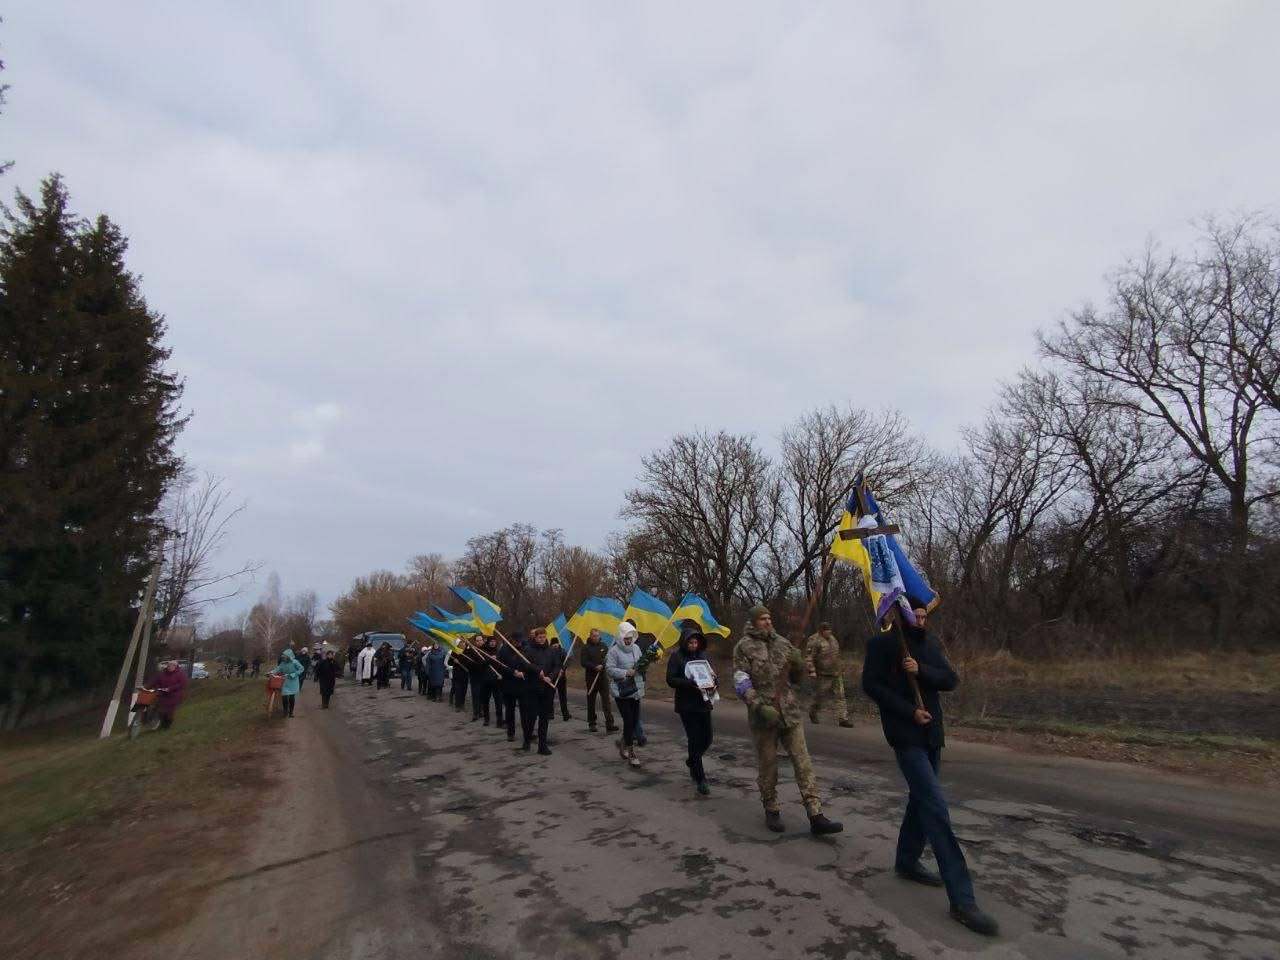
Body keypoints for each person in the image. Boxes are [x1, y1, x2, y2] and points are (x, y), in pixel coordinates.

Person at [862, 602, 999, 936]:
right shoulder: (882, 645)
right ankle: (962, 900)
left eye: (925, 616)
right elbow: (871, 686)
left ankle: (907, 862)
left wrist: (920, 669)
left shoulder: (927, 645)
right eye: (915, 615)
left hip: (933, 736)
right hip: (905, 735)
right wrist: (909, 711)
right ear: (901, 614)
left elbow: (950, 679)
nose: (921, 621)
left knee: (920, 801)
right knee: (936, 808)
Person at [732, 604, 843, 836]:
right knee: (768, 765)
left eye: (769, 617)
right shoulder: (743, 647)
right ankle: (771, 807)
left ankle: (816, 815)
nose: (767, 621)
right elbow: (741, 680)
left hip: (790, 713)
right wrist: (758, 706)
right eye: (762, 618)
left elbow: (796, 680)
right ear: (753, 622)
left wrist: (799, 664)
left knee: (803, 763)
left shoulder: (783, 643)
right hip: (764, 716)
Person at [666, 622, 716, 795]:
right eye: (690, 643)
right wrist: (690, 683)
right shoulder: (676, 657)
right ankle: (700, 778)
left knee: (708, 737)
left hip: (703, 703)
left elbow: (710, 674)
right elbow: (671, 679)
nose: (694, 645)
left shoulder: (702, 656)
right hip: (687, 705)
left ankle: (692, 760)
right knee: (694, 739)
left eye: (696, 642)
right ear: (684, 642)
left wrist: (714, 681)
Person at [606, 622, 645, 768]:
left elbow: (641, 665)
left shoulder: (636, 648)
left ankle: (623, 743)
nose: (629, 641)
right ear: (621, 637)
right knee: (628, 720)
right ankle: (631, 752)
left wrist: (645, 664)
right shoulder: (613, 651)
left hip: (635, 690)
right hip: (621, 691)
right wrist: (625, 673)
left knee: (634, 721)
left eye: (631, 637)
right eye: (626, 638)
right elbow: (609, 669)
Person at [519, 628, 561, 755]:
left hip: (546, 688)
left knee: (544, 717)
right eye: (539, 637)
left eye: (544, 637)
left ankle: (542, 746)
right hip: (532, 687)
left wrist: (551, 677)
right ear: (535, 638)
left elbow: (557, 666)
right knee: (531, 716)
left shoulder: (551, 651)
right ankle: (527, 739)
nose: (542, 639)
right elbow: (523, 664)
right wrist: (537, 670)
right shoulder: (528, 650)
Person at [806, 621, 854, 727]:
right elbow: (809, 657)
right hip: (823, 674)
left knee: (840, 696)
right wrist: (812, 671)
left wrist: (841, 667)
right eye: (826, 631)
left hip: (836, 672)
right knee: (820, 696)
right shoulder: (814, 640)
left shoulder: (833, 639)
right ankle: (813, 711)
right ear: (821, 631)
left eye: (830, 630)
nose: (829, 632)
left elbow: (837, 654)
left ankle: (842, 719)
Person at [580, 628, 616, 733]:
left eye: (597, 635)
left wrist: (603, 665)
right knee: (591, 701)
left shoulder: (604, 646)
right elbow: (583, 662)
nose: (596, 637)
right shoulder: (585, 648)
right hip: (591, 678)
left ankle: (610, 724)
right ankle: (592, 723)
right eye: (594, 636)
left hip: (602, 678)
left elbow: (608, 660)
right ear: (590, 636)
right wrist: (594, 666)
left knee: (606, 701)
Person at [496, 631, 527, 742]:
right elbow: (499, 666)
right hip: (508, 684)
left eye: (520, 641)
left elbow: (530, 663)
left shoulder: (525, 648)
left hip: (523, 684)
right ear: (511, 640)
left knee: (525, 711)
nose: (519, 643)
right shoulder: (504, 650)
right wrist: (513, 672)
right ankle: (511, 732)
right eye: (516, 641)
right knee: (510, 710)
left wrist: (524, 672)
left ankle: (527, 733)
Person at [144, 658, 189, 729]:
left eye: (171, 666)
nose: (169, 667)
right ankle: (157, 722)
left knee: (169, 711)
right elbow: (154, 680)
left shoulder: (180, 674)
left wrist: (170, 688)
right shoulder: (162, 673)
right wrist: (146, 687)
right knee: (158, 708)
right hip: (163, 694)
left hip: (174, 695)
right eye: (168, 666)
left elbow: (182, 684)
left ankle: (167, 724)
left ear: (175, 666)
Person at [270, 649, 305, 718]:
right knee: (284, 696)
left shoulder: (295, 662)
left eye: (284, 658)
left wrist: (293, 674)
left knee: (291, 697)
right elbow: (277, 669)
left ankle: (291, 712)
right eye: (282, 658)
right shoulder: (282, 663)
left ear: (288, 657)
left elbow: (301, 669)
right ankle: (285, 711)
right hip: (285, 681)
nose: (283, 659)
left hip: (293, 681)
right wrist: (271, 672)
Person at [547, 636, 573, 721]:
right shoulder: (548, 653)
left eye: (556, 644)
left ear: (558, 644)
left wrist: (563, 669)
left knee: (563, 697)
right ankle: (550, 713)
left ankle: (565, 714)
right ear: (551, 645)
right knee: (550, 696)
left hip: (561, 678)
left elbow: (567, 661)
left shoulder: (563, 651)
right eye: (553, 645)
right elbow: (547, 665)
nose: (555, 646)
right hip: (552, 678)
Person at [449, 640, 471, 711]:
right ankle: (457, 705)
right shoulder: (454, 651)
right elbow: (449, 662)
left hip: (465, 673)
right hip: (457, 674)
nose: (462, 644)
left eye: (463, 642)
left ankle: (462, 704)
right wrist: (454, 661)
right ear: (458, 644)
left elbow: (470, 661)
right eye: (461, 643)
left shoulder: (467, 652)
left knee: (464, 690)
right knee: (458, 690)